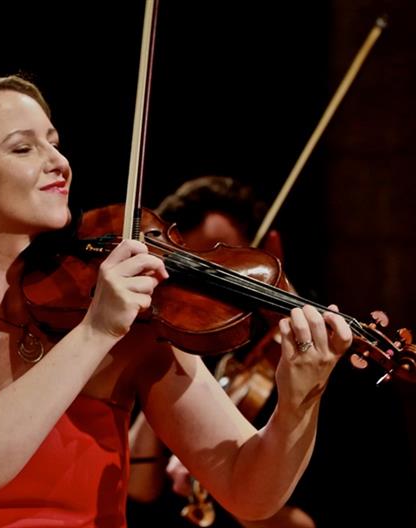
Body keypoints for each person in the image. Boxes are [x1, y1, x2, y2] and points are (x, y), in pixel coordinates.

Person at [0, 72, 352, 527]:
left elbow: (249, 491)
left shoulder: (130, 317)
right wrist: (95, 332)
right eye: (23, 148)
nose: (59, 163)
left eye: (54, 142)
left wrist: (296, 402)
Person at [127, 176, 315, 528]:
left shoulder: (319, 358)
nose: (206, 291)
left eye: (221, 268)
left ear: (271, 249)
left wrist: (227, 481)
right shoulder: (187, 340)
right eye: (188, 271)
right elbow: (138, 485)